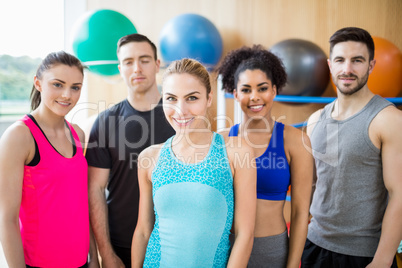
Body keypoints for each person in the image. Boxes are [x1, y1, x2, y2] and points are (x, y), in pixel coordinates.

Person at [131, 58, 257, 267]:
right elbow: (144, 231)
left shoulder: (235, 151)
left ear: (209, 99)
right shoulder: (149, 157)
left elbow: (245, 233)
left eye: (191, 98)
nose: (181, 110)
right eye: (171, 98)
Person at [301, 27, 402, 268]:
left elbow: (399, 193)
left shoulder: (388, 119)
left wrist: (383, 260)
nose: (347, 69)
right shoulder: (315, 120)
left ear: (371, 65)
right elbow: (313, 185)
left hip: (364, 254)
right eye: (340, 60)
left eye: (357, 60)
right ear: (330, 65)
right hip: (314, 245)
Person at [216, 45, 314, 267]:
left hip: (271, 250)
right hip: (225, 248)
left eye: (262, 88)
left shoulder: (296, 141)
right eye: (246, 89)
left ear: (274, 91)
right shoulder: (221, 141)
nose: (254, 97)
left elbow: (300, 213)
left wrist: (291, 265)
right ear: (235, 93)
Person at [0, 51, 99, 267]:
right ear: (38, 83)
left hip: (81, 261)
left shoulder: (78, 134)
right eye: (57, 84)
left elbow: (81, 204)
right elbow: (6, 219)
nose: (67, 95)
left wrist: (93, 256)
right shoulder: (19, 136)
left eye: (75, 87)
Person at [86, 33, 175, 267]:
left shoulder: (180, 117)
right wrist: (106, 252)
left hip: (174, 243)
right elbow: (95, 189)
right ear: (120, 68)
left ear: (157, 65)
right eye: (128, 62)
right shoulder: (105, 122)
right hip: (120, 245)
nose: (137, 68)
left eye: (144, 60)